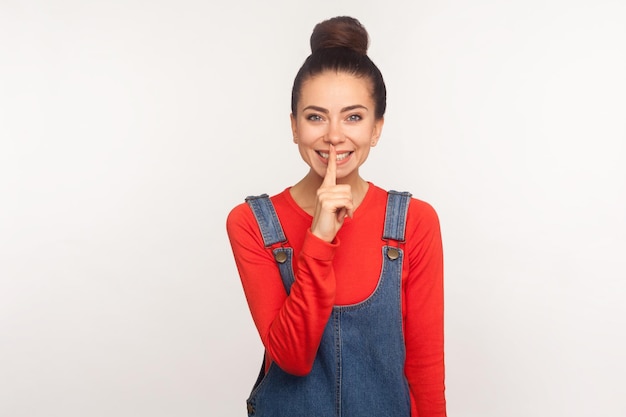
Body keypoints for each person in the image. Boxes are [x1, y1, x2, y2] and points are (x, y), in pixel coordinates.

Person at [226, 16, 447, 417]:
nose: (333, 135)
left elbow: (425, 368)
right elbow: (292, 358)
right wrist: (320, 236)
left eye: (353, 116)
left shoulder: (415, 222)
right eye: (315, 117)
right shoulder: (251, 224)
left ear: (377, 128)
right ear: (294, 127)